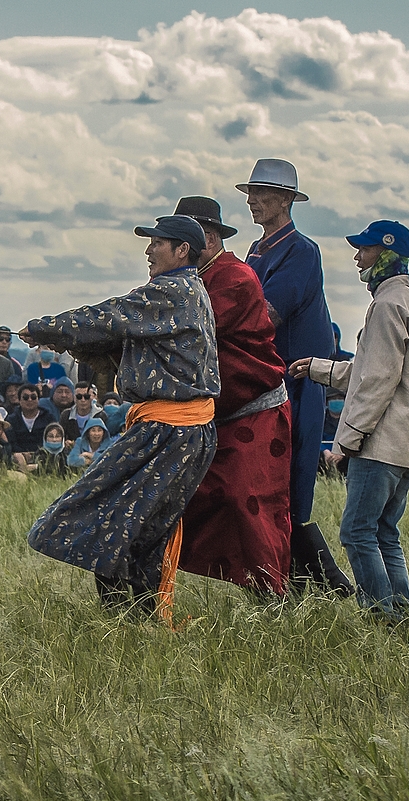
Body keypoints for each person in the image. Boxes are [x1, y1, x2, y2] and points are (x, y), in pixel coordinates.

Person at [24, 213, 220, 624]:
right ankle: (136, 622)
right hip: (177, 430)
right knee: (139, 531)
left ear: (182, 250)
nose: (149, 251)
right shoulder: (188, 291)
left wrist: (45, 330)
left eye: (157, 243)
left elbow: (107, 317)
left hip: (170, 431)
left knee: (108, 521)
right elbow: (125, 344)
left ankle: (129, 621)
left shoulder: (172, 292)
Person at [296, 220, 409, 620]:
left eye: (366, 249)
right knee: (385, 534)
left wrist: (347, 440)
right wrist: (320, 369)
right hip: (408, 444)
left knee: (356, 533)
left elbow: (375, 379)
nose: (359, 257)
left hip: (380, 443)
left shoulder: (386, 305)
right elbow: (377, 370)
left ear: (386, 253)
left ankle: (381, 615)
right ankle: (402, 614)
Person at [174, 195, 305, 597]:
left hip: (256, 411)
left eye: (180, 242)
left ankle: (275, 595)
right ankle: (268, 585)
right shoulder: (195, 280)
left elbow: (184, 329)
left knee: (251, 503)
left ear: (208, 240)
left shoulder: (233, 278)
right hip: (222, 414)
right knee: (202, 497)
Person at [238, 157, 340, 591]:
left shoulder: (301, 250)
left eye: (263, 194)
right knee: (269, 480)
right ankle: (298, 579)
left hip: (295, 381)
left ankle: (309, 580)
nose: (254, 202)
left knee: (291, 482)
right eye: (251, 194)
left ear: (285, 200)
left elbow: (265, 315)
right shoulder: (257, 250)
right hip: (268, 381)